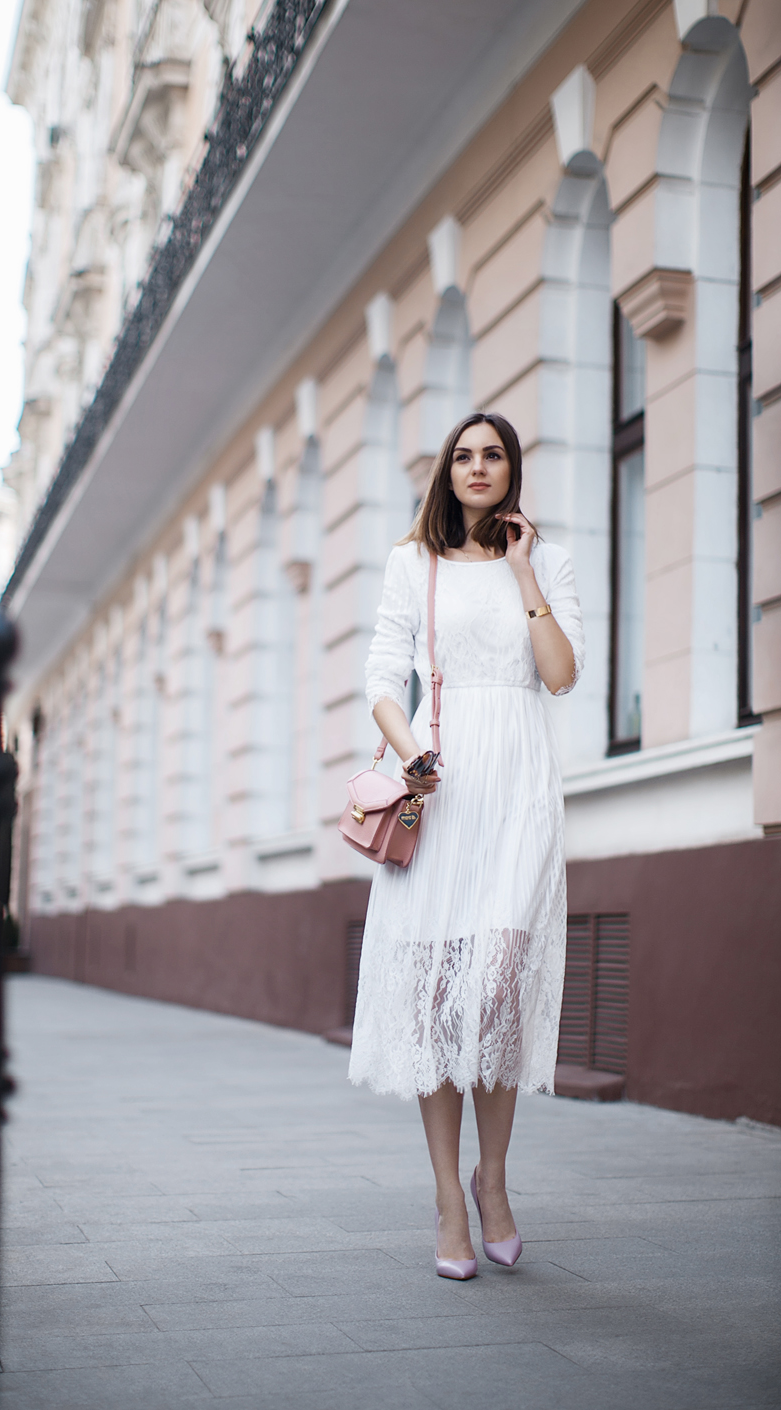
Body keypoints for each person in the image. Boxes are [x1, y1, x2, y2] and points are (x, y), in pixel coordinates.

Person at [348, 412, 584, 1279]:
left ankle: (496, 1179)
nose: (477, 467)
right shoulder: (413, 565)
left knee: (494, 994)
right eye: (463, 455)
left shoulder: (546, 560)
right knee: (436, 998)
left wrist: (524, 573)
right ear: (446, 472)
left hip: (519, 790)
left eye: (493, 455)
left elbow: (558, 674)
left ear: (511, 470)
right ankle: (450, 1197)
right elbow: (381, 678)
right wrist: (413, 754)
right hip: (442, 791)